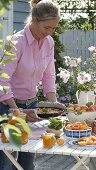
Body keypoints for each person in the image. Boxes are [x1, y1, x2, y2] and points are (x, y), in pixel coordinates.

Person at [0, 0, 60, 169]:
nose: (49, 32)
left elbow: (48, 75)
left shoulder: (49, 43)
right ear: (34, 19)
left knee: (28, 161)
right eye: (46, 28)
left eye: (53, 28)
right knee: (6, 161)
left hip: (32, 106)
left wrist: (52, 105)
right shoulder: (15, 42)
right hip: (8, 107)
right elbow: (2, 80)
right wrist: (15, 110)